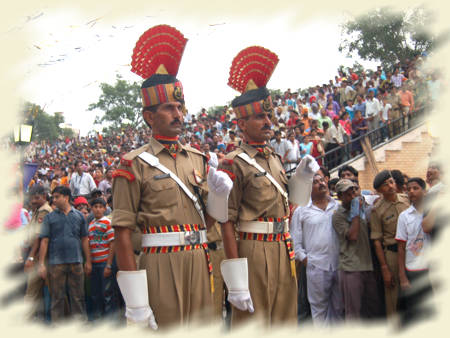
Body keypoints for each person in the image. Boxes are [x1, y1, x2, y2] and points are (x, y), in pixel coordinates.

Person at [111, 25, 232, 330]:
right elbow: (123, 235)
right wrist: (136, 302)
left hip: (200, 258)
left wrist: (219, 198)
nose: (178, 114)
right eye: (169, 108)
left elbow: (210, 222)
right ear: (149, 117)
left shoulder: (198, 158)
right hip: (159, 263)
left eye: (180, 107)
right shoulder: (132, 164)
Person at [218, 46, 319, 327]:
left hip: (282, 246)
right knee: (255, 323)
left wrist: (303, 178)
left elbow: (290, 203)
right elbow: (227, 221)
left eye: (269, 116)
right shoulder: (233, 162)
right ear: (241, 124)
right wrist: (236, 280)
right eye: (260, 117)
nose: (268, 122)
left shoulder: (273, 158)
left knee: (285, 320)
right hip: (253, 248)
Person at [291, 174, 342, 325]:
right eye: (315, 182)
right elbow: (295, 241)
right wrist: (307, 260)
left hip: (339, 265)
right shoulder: (301, 211)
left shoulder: (338, 206)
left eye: (322, 180)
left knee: (339, 308)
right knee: (319, 310)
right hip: (316, 267)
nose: (321, 184)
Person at [38, 186, 92, 322]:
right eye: (53, 197)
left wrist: (88, 262)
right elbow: (44, 241)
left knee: (78, 297)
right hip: (56, 263)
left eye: (57, 197)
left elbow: (85, 240)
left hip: (76, 261)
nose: (54, 200)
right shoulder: (49, 218)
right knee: (57, 297)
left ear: (66, 197)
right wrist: (41, 264)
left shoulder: (79, 216)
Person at [333, 179, 381, 320]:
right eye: (348, 194)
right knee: (353, 313)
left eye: (353, 191)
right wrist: (355, 214)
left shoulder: (363, 208)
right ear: (340, 197)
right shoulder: (338, 216)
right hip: (351, 268)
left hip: (367, 266)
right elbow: (353, 236)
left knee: (372, 309)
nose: (353, 196)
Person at [370, 170, 409, 319]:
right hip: (391, 255)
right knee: (393, 297)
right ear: (379, 190)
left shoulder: (406, 200)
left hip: (410, 252)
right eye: (385, 185)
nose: (390, 186)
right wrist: (385, 268)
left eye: (391, 182)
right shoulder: (377, 210)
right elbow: (377, 241)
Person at [395, 177, 434, 327]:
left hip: (431, 269)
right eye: (409, 189)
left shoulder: (433, 213)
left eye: (416, 188)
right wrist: (403, 277)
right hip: (413, 269)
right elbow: (401, 247)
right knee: (414, 314)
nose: (411, 191)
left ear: (424, 191)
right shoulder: (404, 217)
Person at [23, 186, 53, 321]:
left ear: (44, 196)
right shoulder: (37, 211)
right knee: (40, 291)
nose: (33, 201)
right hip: (39, 255)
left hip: (39, 256)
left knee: (32, 291)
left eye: (37, 198)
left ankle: (26, 320)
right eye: (32, 198)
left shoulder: (44, 211)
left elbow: (39, 237)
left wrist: (31, 257)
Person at [87, 198, 117, 320]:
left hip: (105, 263)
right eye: (95, 206)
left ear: (105, 209)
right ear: (91, 208)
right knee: (96, 293)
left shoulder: (107, 223)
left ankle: (110, 320)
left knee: (108, 293)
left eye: (100, 207)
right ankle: (99, 319)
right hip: (95, 263)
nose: (98, 209)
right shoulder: (90, 225)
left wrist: (109, 265)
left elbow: (113, 244)